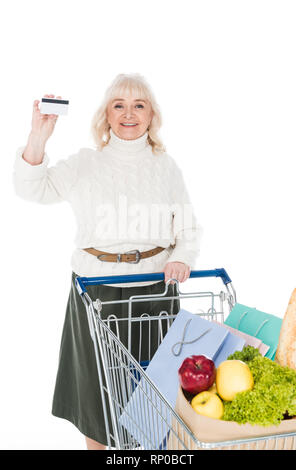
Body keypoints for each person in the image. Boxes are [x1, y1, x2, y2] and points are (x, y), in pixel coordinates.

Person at [13, 73, 202, 450]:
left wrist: (181, 258)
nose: (128, 114)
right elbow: (31, 188)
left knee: (154, 396)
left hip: (154, 292)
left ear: (152, 116)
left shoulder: (165, 167)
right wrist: (39, 137)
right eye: (119, 105)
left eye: (139, 105)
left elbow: (188, 230)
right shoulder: (85, 163)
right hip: (95, 291)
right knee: (97, 395)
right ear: (106, 115)